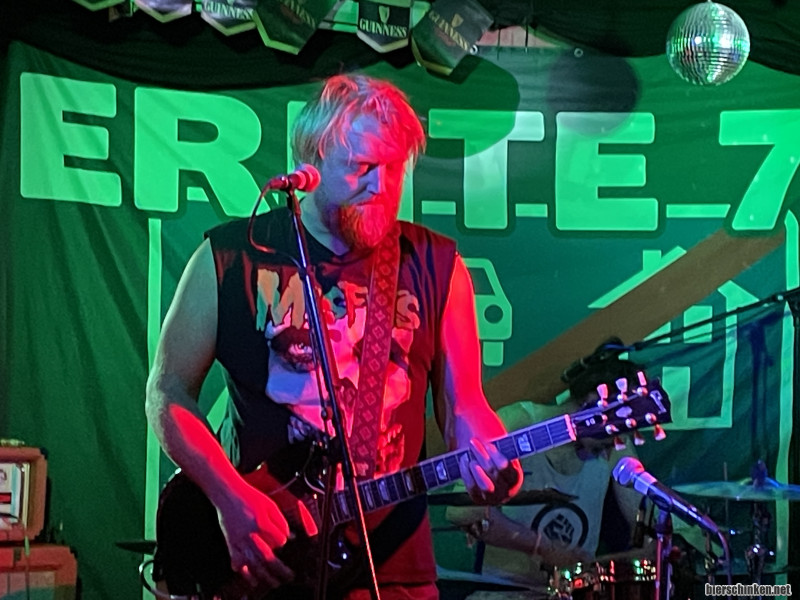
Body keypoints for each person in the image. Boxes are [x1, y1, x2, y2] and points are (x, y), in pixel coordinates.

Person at [145, 73, 522, 600]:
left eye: (394, 168)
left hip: (391, 567)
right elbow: (167, 394)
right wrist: (229, 499)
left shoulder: (438, 265)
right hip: (264, 560)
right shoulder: (229, 257)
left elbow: (465, 407)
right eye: (363, 167)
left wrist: (494, 459)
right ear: (312, 162)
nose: (382, 187)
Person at [445, 357, 654, 599]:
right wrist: (543, 548)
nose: (610, 451)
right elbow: (460, 511)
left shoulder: (613, 440)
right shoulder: (520, 421)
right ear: (593, 402)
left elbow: (645, 519)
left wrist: (655, 545)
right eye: (607, 443)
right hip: (505, 594)